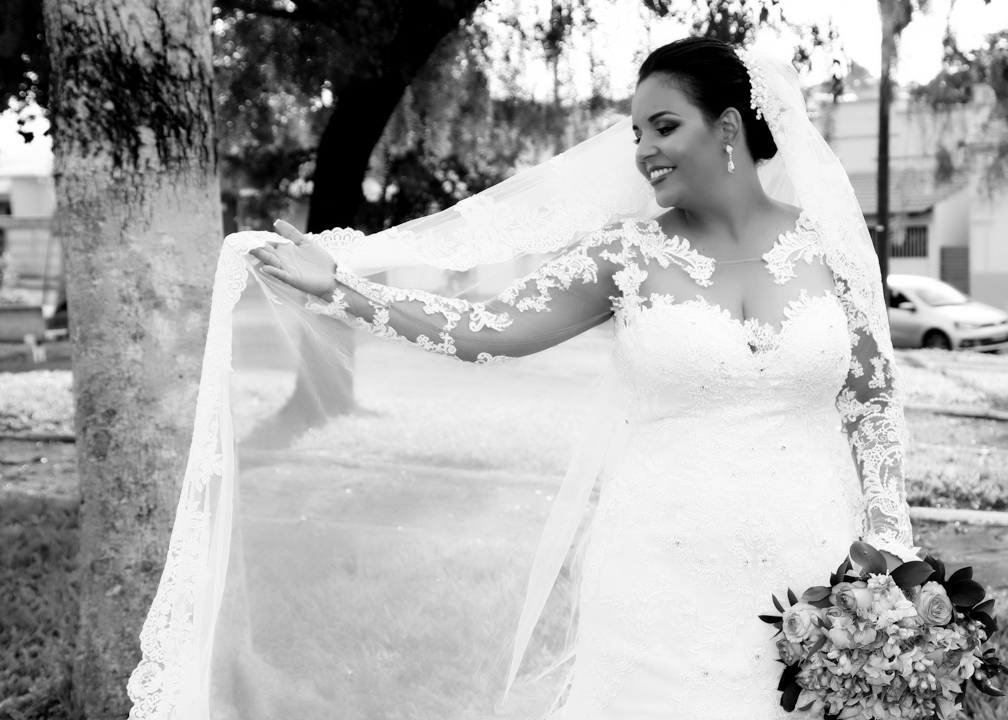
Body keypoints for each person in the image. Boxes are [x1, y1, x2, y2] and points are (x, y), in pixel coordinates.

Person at [128, 38, 918, 720]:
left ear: (730, 128)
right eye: (636, 133)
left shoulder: (828, 252)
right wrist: (340, 288)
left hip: (813, 556)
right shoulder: (625, 255)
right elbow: (486, 328)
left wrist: (889, 547)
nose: (643, 151)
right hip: (661, 566)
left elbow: (872, 404)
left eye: (664, 125)